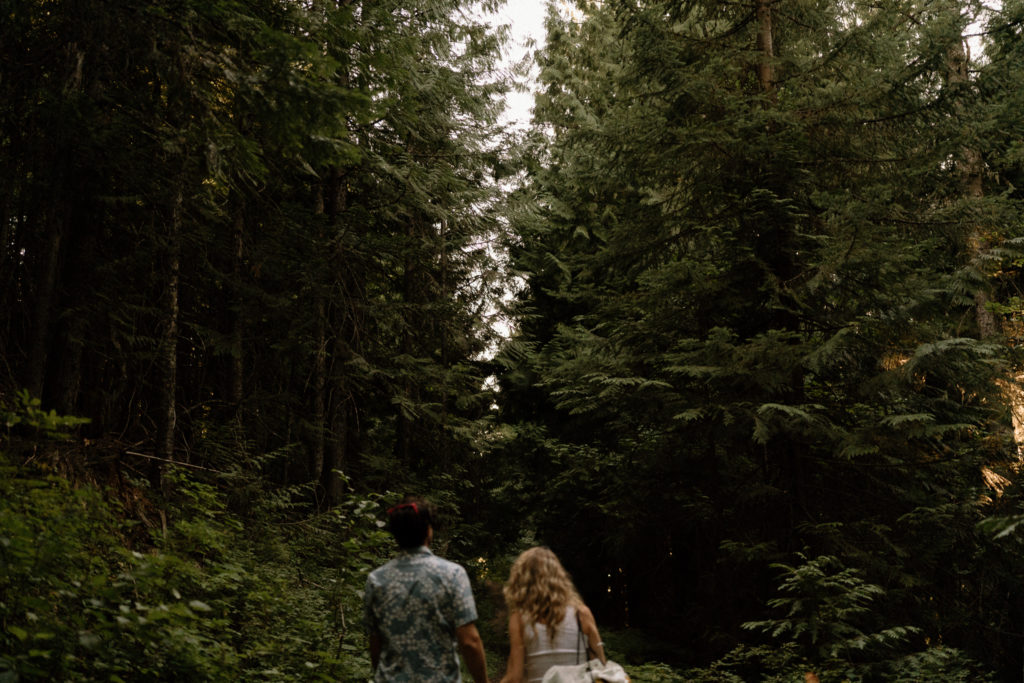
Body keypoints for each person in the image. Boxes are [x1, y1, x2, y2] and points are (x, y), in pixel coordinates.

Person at [364, 496, 489, 682]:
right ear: (428, 531)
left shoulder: (376, 580)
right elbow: (469, 642)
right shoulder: (452, 574)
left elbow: (376, 645)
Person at [499, 547, 607, 683]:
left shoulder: (519, 619)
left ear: (522, 580)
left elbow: (516, 678)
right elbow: (601, 665)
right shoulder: (582, 614)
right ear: (559, 577)